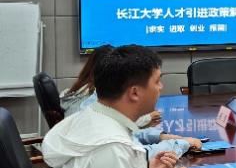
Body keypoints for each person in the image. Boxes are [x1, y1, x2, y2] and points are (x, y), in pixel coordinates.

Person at [43, 45, 197, 168]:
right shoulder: (110, 147)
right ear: (134, 93)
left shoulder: (91, 117)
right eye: (157, 81)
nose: (161, 87)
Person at [62, 44, 201, 157]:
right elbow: (137, 155)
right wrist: (181, 144)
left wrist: (161, 136)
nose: (161, 87)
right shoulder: (101, 128)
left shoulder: (100, 107)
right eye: (157, 81)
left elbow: (129, 134)